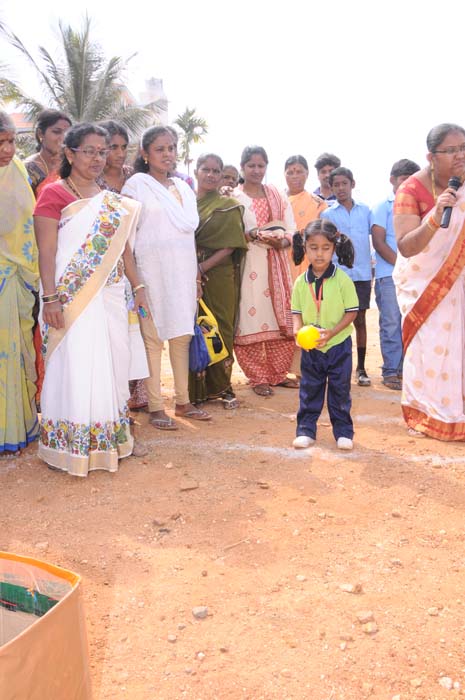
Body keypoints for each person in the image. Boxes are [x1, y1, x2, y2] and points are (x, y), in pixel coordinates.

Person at [34, 123, 147, 475]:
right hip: (70, 298)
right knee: (76, 364)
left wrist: (138, 287)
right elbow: (46, 252)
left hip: (110, 295)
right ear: (70, 154)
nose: (98, 158)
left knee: (112, 363)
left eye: (103, 151)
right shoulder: (53, 195)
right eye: (89, 151)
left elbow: (124, 251)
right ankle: (69, 445)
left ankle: (110, 440)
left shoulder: (110, 199)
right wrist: (51, 299)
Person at [122, 126, 211, 429]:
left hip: (182, 274)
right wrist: (137, 283)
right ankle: (156, 407)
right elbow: (125, 239)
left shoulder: (184, 188)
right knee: (152, 339)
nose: (167, 154)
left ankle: (183, 402)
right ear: (145, 154)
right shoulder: (136, 185)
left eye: (171, 148)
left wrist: (196, 279)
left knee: (182, 336)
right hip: (150, 275)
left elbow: (189, 236)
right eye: (160, 149)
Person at [393, 123, 465, 440]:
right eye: (451, 151)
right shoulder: (410, 191)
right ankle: (429, 413)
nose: (460, 155)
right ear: (431, 157)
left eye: (463, 148)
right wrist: (435, 218)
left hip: (460, 279)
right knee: (432, 348)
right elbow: (407, 246)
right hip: (424, 286)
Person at [233, 145, 297, 396]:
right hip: (248, 263)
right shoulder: (235, 197)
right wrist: (251, 236)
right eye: (251, 165)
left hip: (277, 263)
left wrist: (284, 242)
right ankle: (257, 377)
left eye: (261, 166)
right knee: (249, 319)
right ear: (242, 167)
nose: (256, 170)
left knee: (277, 318)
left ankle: (277, 374)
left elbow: (291, 227)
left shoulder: (277, 195)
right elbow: (230, 232)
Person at [291, 219, 358, 450]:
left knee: (340, 390)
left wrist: (332, 333)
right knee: (309, 389)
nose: (319, 254)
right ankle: (305, 430)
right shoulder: (300, 282)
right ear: (305, 247)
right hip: (312, 348)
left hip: (338, 344)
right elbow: (296, 311)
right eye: (313, 248)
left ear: (334, 248)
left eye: (325, 248)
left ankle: (343, 432)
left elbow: (351, 312)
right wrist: (297, 329)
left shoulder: (343, 280)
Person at [189, 153, 247, 408]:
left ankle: (222, 387)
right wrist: (191, 270)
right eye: (206, 170)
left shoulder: (228, 206)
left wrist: (201, 267)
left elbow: (231, 245)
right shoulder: (184, 204)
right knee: (193, 327)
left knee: (220, 327)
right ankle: (196, 391)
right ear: (196, 172)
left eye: (216, 171)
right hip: (186, 274)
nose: (211, 175)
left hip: (219, 276)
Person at [0, 111, 39, 457]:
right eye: (0, 142)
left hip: (14, 276)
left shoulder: (19, 171)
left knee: (12, 355)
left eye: (11, 141)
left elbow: (28, 225)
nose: (8, 149)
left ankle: (12, 426)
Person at [371, 159, 420, 390]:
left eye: (412, 179)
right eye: (403, 179)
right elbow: (379, 243)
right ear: (392, 180)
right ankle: (390, 371)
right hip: (389, 275)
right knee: (391, 323)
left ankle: (405, 370)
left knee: (410, 323)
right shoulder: (382, 206)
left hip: (415, 275)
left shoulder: (419, 206)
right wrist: (402, 265)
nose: (408, 184)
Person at [321, 167, 372, 386]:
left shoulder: (366, 211)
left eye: (344, 183)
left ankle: (361, 369)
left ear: (353, 184)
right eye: (336, 185)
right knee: (335, 320)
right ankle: (335, 368)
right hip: (337, 276)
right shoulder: (328, 215)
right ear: (331, 188)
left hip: (361, 274)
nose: (341, 188)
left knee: (360, 320)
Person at [284, 154, 327, 281]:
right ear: (284, 174)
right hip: (281, 258)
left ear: (307, 174)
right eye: (290, 172)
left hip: (308, 262)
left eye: (299, 172)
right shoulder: (276, 200)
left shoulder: (318, 204)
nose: (295, 176)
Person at [24, 109, 72, 196]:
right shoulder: (29, 168)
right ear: (40, 133)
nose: (63, 138)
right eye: (57, 132)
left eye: (68, 133)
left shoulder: (72, 164)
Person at [97, 120, 133, 192]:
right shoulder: (93, 181)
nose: (121, 154)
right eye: (113, 147)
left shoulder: (133, 175)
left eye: (124, 147)